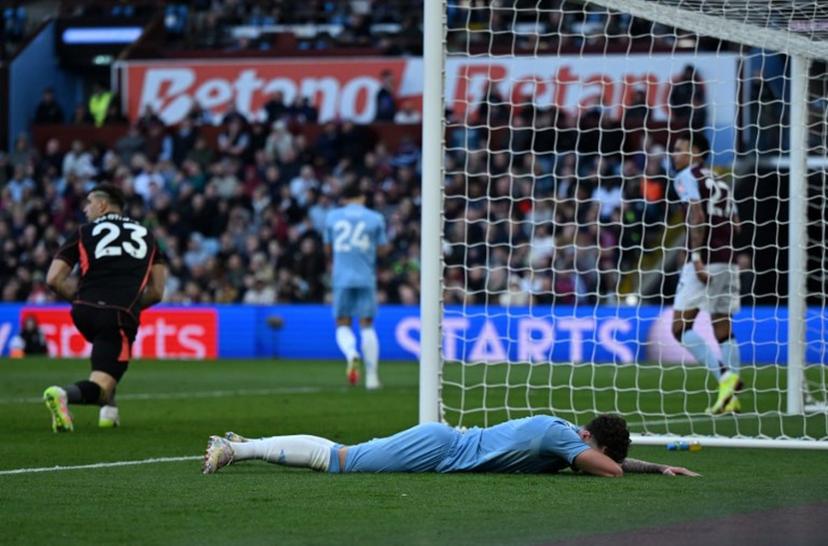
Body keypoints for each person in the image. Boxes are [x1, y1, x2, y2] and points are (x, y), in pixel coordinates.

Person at [201, 414, 700, 478]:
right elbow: (608, 471)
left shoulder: (565, 435)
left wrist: (658, 469)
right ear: (587, 440)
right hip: (440, 450)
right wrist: (622, 468)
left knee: (343, 452)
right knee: (340, 460)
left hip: (444, 444)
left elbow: (609, 463)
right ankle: (238, 451)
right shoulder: (561, 438)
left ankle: (255, 444)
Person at [43, 184, 167, 431]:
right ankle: (63, 394)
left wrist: (80, 299)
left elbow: (53, 279)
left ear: (102, 205)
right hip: (119, 314)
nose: (86, 209)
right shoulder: (147, 236)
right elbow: (156, 292)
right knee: (102, 385)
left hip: (83, 311)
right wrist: (129, 307)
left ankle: (109, 413)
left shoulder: (83, 231)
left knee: (105, 354)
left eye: (89, 203)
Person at [671, 132, 742, 415]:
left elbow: (696, 216)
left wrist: (696, 256)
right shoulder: (722, 180)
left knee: (680, 328)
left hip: (705, 259)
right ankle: (730, 399)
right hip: (728, 259)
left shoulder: (688, 176)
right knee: (722, 327)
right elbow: (736, 223)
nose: (675, 155)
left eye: (679, 149)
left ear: (696, 152)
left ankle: (726, 377)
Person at [323, 183, 388, 389]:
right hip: (365, 277)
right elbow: (383, 250)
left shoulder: (332, 217)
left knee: (342, 323)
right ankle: (372, 377)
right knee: (367, 325)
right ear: (362, 197)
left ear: (343, 199)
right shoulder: (375, 218)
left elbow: (327, 248)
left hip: (341, 277)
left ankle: (351, 353)